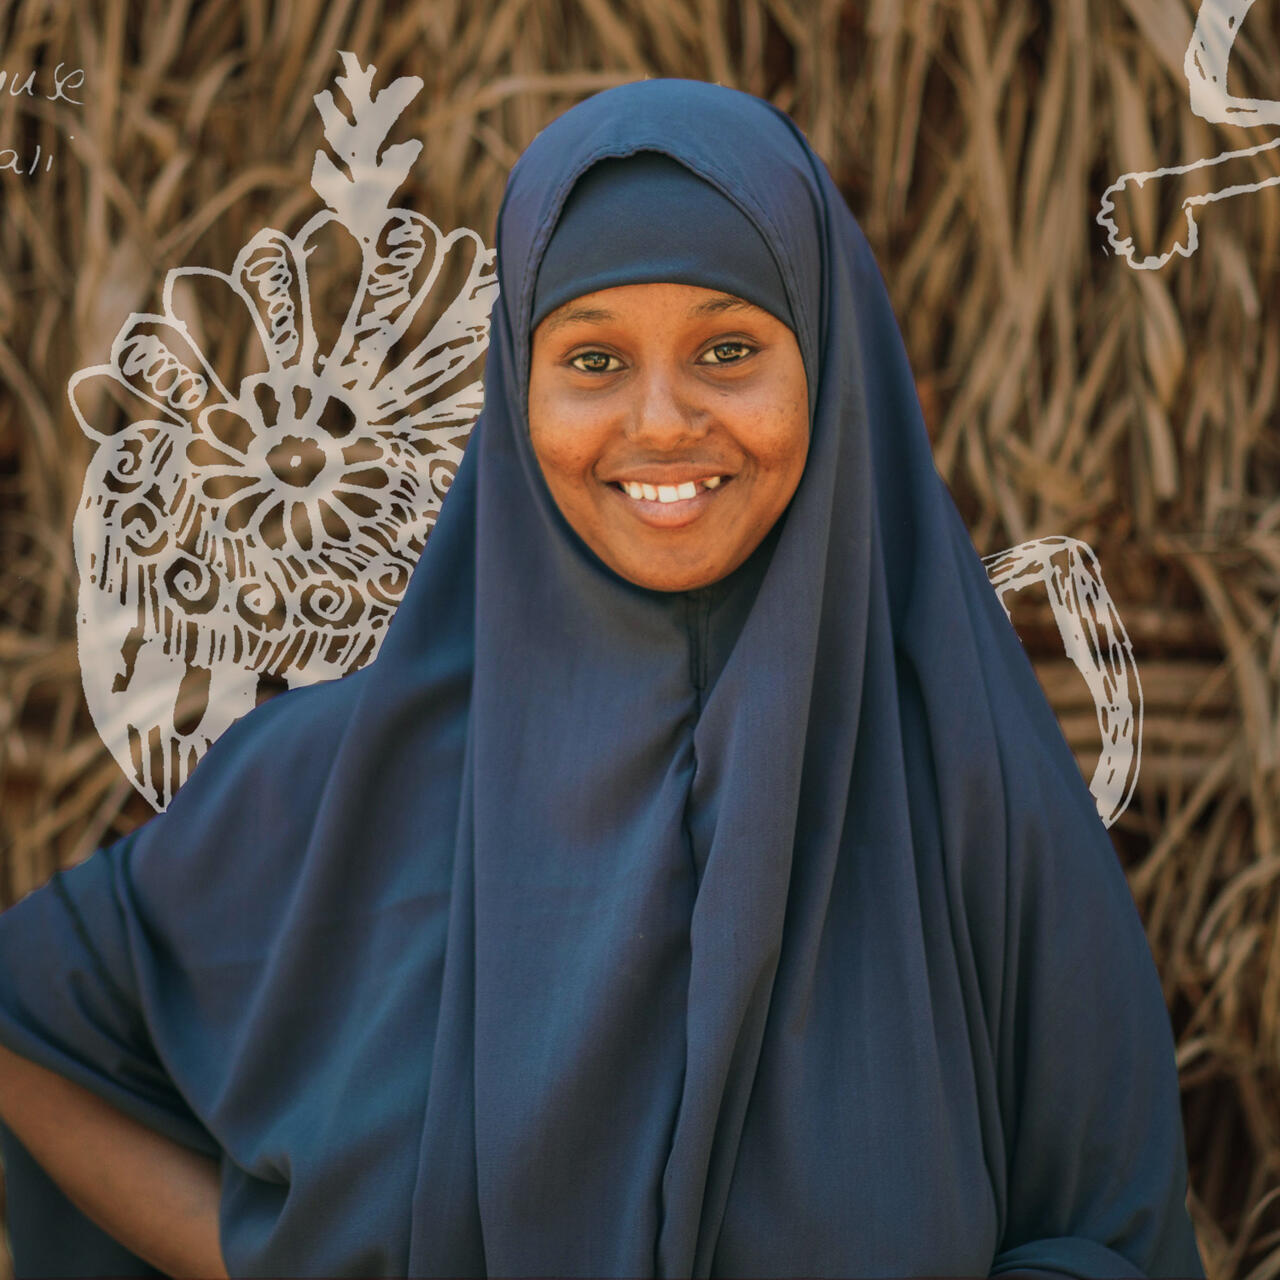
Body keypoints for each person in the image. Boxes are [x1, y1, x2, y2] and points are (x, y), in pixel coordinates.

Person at [0, 77, 1204, 1278]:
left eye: (728, 348)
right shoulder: (331, 788)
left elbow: (1111, 1236)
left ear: (832, 372)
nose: (663, 421)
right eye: (592, 358)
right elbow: (32, 1022)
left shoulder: (971, 799)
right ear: (515, 389)